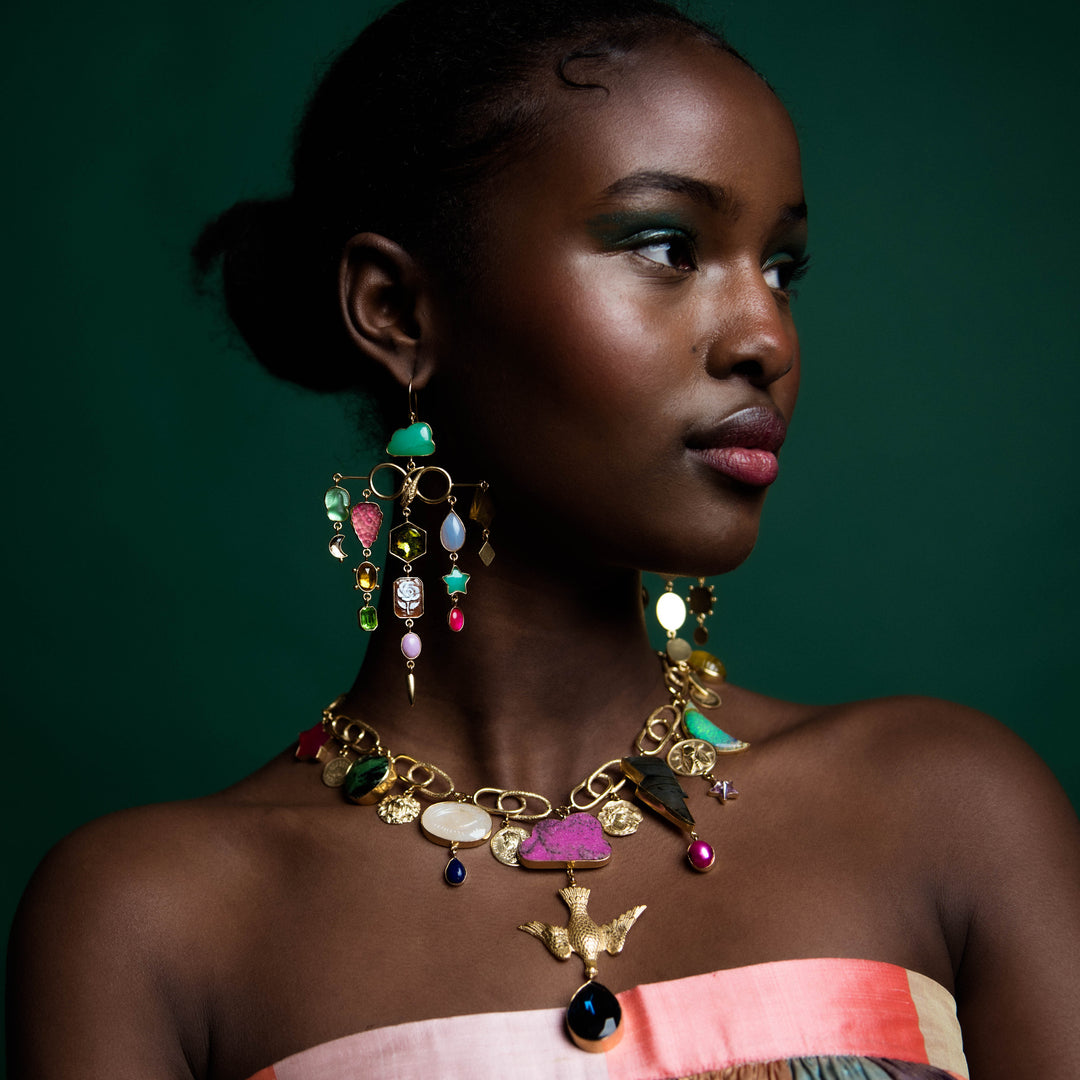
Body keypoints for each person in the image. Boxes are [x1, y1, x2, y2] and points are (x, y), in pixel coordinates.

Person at [8, 0, 1079, 1076]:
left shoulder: (950, 814)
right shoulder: (152, 925)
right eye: (667, 245)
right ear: (397, 310)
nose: (765, 335)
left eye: (782, 267)